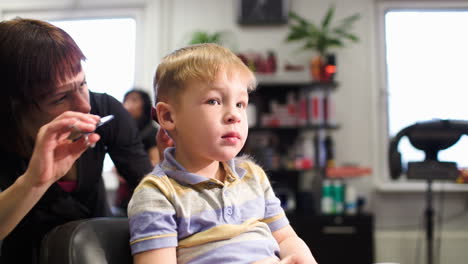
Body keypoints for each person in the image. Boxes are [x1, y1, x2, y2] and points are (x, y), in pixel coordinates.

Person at [127, 43, 317, 264]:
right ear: (168, 117)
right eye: (214, 101)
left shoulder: (252, 176)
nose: (234, 115)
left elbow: (286, 239)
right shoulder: (158, 195)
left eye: (240, 104)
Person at [0, 18, 153, 263]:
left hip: (98, 251)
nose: (85, 105)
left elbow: (149, 190)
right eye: (60, 98)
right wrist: (34, 182)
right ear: (16, 107)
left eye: (83, 83)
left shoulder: (105, 108)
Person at [123, 89, 160, 164]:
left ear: (144, 105)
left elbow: (157, 163)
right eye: (126, 100)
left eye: (134, 100)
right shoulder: (126, 131)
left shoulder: (152, 132)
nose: (128, 104)